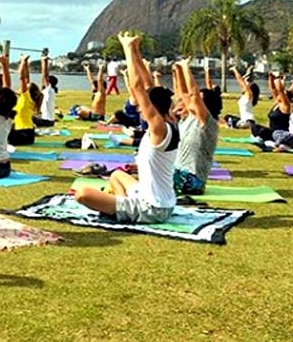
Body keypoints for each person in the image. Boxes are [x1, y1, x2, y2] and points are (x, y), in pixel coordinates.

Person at [75, 32, 178, 223]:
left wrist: (127, 48)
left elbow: (137, 87)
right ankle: (120, 207)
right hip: (157, 201)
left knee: (82, 193)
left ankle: (120, 209)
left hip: (153, 208)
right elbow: (146, 84)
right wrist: (136, 51)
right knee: (117, 175)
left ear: (153, 108)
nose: (139, 111)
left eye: (142, 107)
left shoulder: (159, 129)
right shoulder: (168, 123)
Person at [171, 58, 221, 195]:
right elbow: (184, 94)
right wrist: (179, 70)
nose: (192, 101)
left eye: (200, 99)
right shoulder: (188, 118)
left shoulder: (207, 123)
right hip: (180, 173)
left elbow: (193, 95)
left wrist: (186, 67)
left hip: (193, 181)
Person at [250, 72, 292, 142]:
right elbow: (272, 88)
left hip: (280, 135)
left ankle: (266, 142)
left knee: (261, 132)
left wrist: (278, 78)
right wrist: (271, 76)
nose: (278, 95)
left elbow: (280, 90)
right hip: (272, 133)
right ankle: (264, 140)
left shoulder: (286, 106)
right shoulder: (277, 103)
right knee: (255, 127)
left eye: (283, 95)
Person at [8, 55, 36, 146]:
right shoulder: (28, 98)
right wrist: (26, 64)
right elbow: (27, 79)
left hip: (23, 134)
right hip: (29, 134)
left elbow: (22, 78)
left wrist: (22, 62)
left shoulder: (26, 97)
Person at [36, 55, 58, 126]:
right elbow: (43, 77)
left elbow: (45, 75)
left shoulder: (49, 90)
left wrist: (45, 61)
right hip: (50, 121)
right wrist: (43, 62)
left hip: (46, 121)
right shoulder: (50, 91)